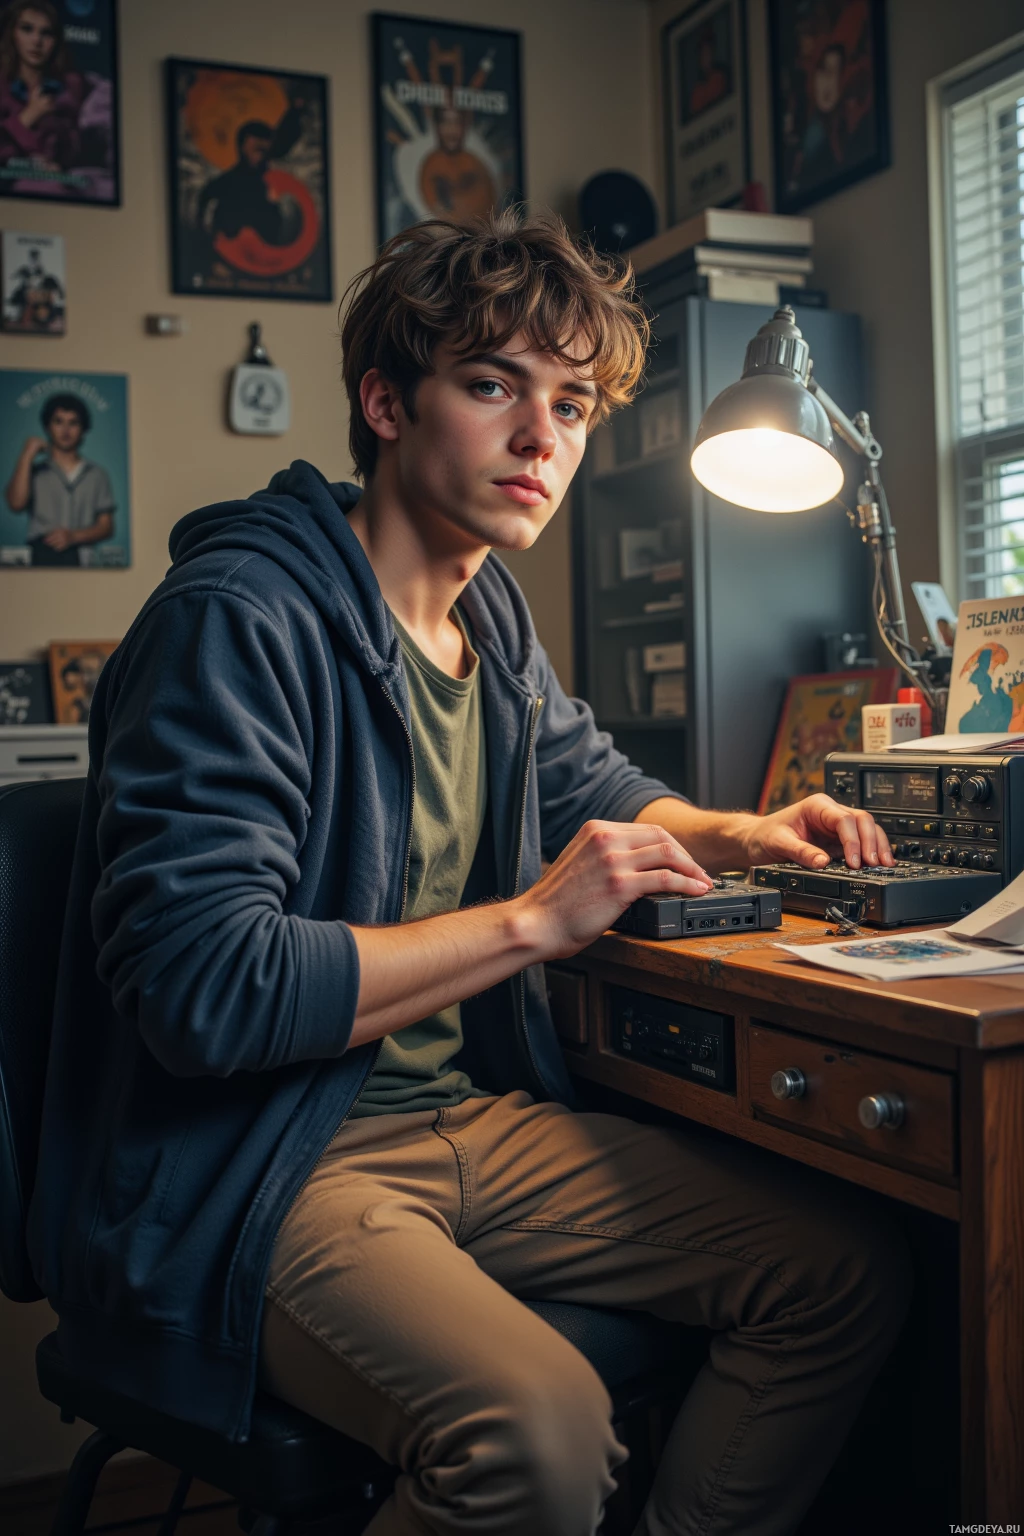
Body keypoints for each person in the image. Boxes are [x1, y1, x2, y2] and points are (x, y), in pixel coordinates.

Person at [28, 211, 910, 1536]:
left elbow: (584, 779)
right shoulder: (237, 622)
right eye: (494, 385)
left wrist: (741, 828)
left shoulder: (485, 612)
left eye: (571, 403)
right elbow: (204, 988)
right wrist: (535, 919)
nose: (542, 437)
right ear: (387, 403)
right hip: (258, 1160)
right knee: (537, 1435)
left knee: (842, 1275)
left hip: (466, 1124)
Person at [0, 0, 111, 197]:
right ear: (12, 33)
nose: (36, 41)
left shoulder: (74, 86)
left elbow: (80, 149)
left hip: (64, 180)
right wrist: (28, 117)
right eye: (27, 29)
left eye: (46, 33)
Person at [4, 392, 115, 566]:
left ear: (83, 428)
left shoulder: (97, 474)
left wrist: (73, 536)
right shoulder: (34, 471)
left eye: (73, 423)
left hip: (83, 559)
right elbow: (16, 503)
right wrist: (27, 455)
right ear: (48, 426)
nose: (65, 430)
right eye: (58, 421)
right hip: (40, 556)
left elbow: (106, 527)